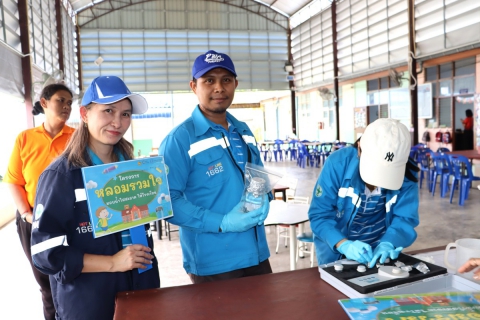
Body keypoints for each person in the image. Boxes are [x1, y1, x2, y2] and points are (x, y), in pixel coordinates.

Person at [30, 76, 160, 319]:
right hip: (89, 299)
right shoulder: (62, 175)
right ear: (85, 114)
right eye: (108, 110)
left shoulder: (134, 170)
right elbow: (45, 253)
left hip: (142, 286)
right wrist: (112, 262)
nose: (117, 122)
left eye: (125, 114)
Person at [159, 50, 271, 284]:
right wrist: (222, 222)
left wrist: (263, 198)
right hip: (214, 262)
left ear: (235, 84)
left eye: (226, 80)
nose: (219, 88)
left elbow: (258, 177)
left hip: (257, 254)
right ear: (193, 86)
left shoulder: (244, 131)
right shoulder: (180, 140)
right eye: (209, 80)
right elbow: (167, 202)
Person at [4, 83, 74, 320]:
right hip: (31, 219)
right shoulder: (25, 138)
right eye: (60, 100)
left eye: (69, 103)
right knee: (45, 281)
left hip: (67, 219)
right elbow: (13, 181)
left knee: (68, 275)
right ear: (44, 103)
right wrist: (26, 213)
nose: (66, 106)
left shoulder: (76, 138)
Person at [308, 118, 420, 267]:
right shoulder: (337, 165)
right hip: (335, 248)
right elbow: (320, 215)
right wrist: (343, 244)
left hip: (379, 251)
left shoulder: (406, 174)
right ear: (360, 148)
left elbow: (405, 217)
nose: (378, 182)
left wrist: (390, 242)